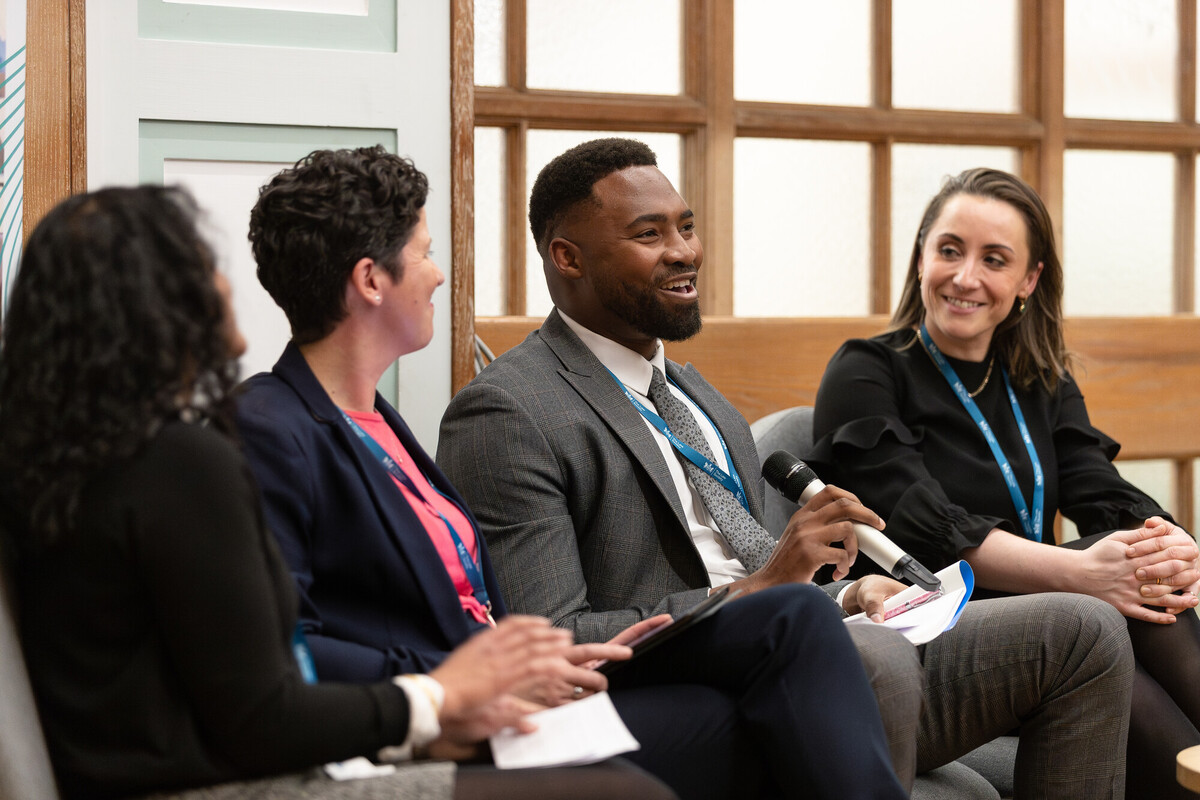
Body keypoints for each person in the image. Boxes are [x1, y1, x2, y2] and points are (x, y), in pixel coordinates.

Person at [437, 137, 1138, 799]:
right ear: (568, 257)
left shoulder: (697, 397)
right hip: (697, 688)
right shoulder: (510, 410)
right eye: (650, 235)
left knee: (1083, 630)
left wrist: (843, 596)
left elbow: (760, 578)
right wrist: (777, 589)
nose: (684, 253)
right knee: (872, 658)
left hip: (806, 649)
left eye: (685, 227)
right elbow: (555, 643)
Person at [234, 145, 909, 800]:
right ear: (371, 280)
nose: (439, 275)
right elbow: (282, 646)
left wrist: (533, 663)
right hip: (434, 725)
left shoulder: (381, 423)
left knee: (778, 701)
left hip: (521, 695)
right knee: (778, 676)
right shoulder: (274, 425)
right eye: (426, 254)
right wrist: (447, 685)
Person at [0, 185, 677, 800]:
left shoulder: (71, 462)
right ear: (164, 303)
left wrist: (445, 710)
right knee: (625, 791)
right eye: (203, 264)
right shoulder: (181, 461)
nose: (224, 284)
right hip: (219, 782)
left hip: (182, 767)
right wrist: (437, 698)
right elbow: (263, 713)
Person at [809, 165, 1200, 800]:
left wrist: (1172, 543)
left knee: (1140, 592)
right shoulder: (867, 370)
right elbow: (920, 526)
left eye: (995, 259)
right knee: (1104, 608)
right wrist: (1082, 573)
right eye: (949, 251)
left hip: (1068, 624)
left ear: (1029, 279)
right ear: (921, 258)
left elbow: (1101, 489)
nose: (966, 277)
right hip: (938, 625)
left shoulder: (1038, 378)